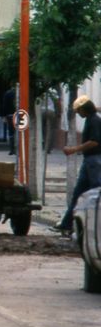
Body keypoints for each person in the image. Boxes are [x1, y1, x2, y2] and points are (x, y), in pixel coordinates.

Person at [53, 95, 101, 234]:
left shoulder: (94, 121)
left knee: (95, 193)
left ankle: (93, 225)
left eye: (79, 110)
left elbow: (94, 142)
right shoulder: (90, 119)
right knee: (78, 193)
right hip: (89, 162)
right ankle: (67, 223)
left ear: (84, 109)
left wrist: (74, 149)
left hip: (94, 161)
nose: (78, 113)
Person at [0, 86, 16, 154]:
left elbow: (4, 105)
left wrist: (3, 115)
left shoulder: (7, 93)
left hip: (10, 115)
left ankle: (12, 149)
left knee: (11, 132)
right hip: (19, 114)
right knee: (20, 132)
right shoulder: (21, 92)